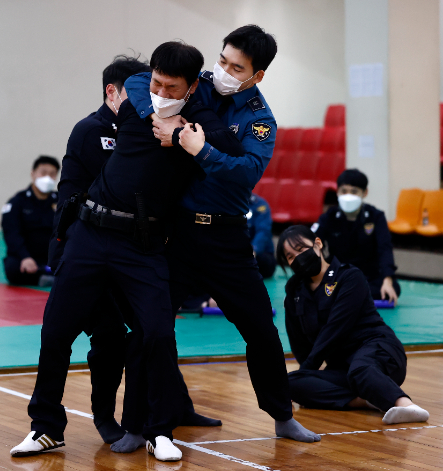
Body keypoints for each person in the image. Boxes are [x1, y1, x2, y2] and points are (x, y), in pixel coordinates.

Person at [10, 41, 244, 462]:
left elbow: (230, 146)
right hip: (90, 232)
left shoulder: (198, 121)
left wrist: (183, 138)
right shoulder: (137, 97)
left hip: (141, 243)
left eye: (172, 88)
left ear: (191, 89)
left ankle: (159, 431)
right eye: (157, 82)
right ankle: (46, 428)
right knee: (56, 332)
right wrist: (59, 244)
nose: (160, 92)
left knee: (156, 333)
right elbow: (136, 82)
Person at [124, 25, 320, 443]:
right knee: (149, 329)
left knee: (261, 330)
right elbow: (140, 81)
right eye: (223, 60)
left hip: (227, 238)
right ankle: (139, 424)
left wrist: (198, 148)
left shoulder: (259, 119)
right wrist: (158, 115)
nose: (225, 71)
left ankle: (282, 415)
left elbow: (246, 172)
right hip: (176, 233)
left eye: (238, 67)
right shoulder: (201, 87)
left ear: (257, 76)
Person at [47, 55, 151, 445]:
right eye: (137, 91)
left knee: (132, 336)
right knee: (84, 334)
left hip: (123, 253)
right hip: (82, 248)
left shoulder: (139, 130)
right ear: (113, 92)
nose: (145, 99)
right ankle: (54, 424)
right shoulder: (92, 131)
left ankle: (127, 414)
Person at [276, 225, 429, 424]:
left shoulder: (349, 277)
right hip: (343, 369)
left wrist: (308, 369)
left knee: (361, 369)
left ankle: (406, 405)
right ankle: (368, 400)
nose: (297, 257)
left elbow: (335, 329)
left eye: (301, 249)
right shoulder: (294, 291)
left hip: (379, 351)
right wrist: (306, 376)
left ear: (318, 244)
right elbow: (299, 342)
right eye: (290, 256)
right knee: (290, 382)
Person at [312, 169, 400, 304]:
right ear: (337, 192)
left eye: (354, 192)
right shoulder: (329, 217)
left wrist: (387, 281)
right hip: (337, 274)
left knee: (392, 289)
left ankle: (342, 295)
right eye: (344, 191)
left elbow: (385, 249)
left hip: (368, 276)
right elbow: (313, 245)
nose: (348, 196)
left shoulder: (376, 216)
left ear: (364, 193)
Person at [2, 156, 60, 286]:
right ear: (33, 174)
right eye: (43, 173)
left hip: (53, 256)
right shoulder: (17, 202)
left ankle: (51, 274)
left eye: (52, 174)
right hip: (28, 256)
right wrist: (25, 257)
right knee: (12, 268)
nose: (47, 177)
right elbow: (11, 233)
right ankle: (44, 278)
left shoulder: (61, 201)